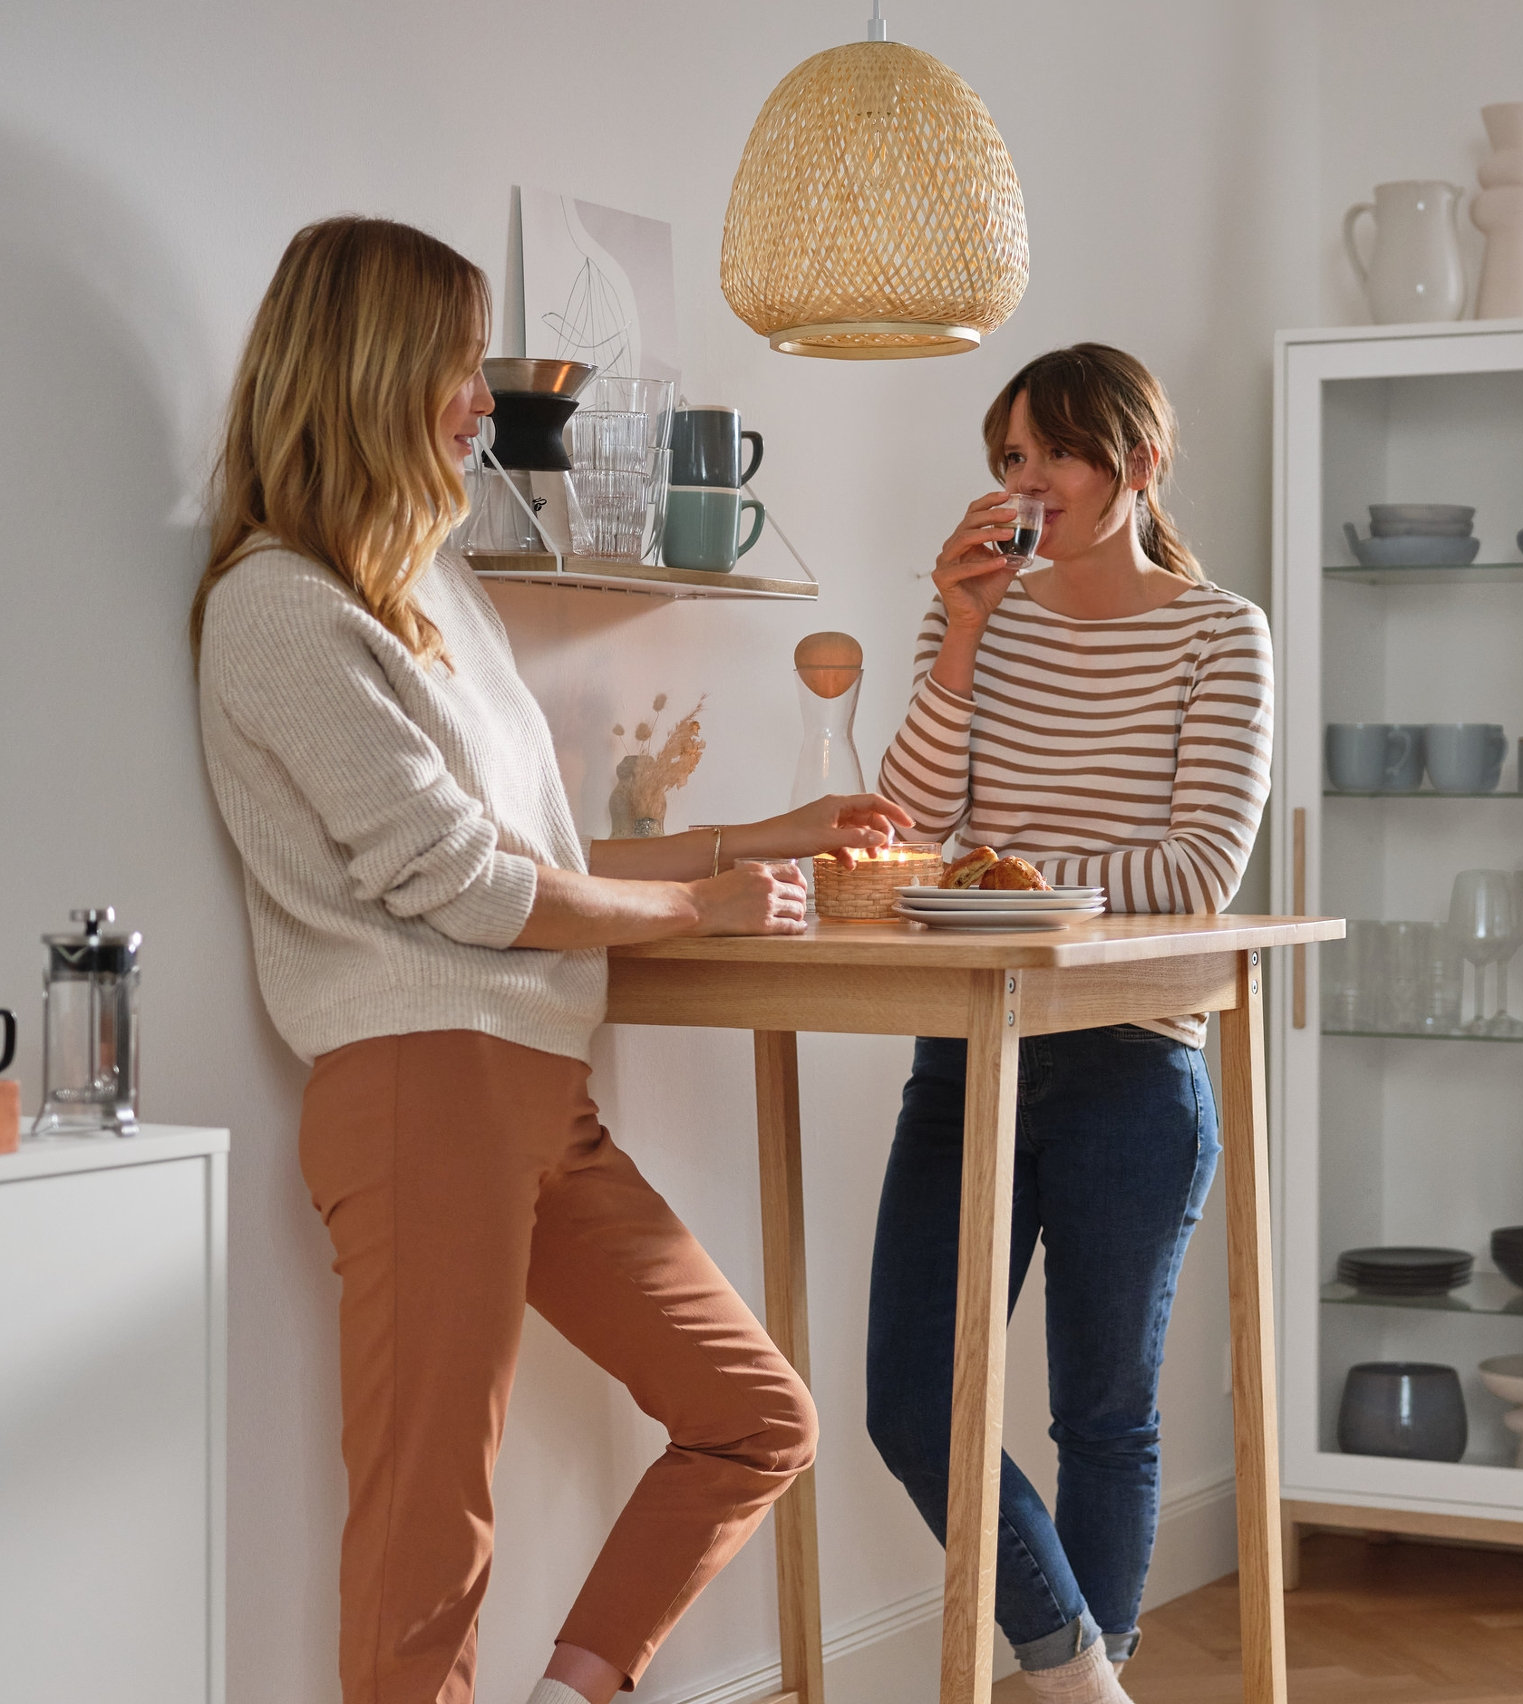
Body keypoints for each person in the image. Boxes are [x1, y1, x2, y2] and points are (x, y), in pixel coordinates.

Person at [192, 215, 911, 1704]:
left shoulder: (436, 594)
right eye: (461, 366)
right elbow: (463, 887)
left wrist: (753, 838)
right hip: (419, 1088)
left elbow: (544, 856)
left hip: (532, 1082)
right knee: (426, 1530)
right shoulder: (278, 606)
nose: (485, 401)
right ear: (373, 371)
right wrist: (700, 916)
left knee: (752, 1415)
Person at [870, 344, 1275, 1703]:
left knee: (1104, 1414)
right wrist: (966, 628)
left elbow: (1196, 877)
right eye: (1008, 460)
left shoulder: (1223, 635)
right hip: (971, 1046)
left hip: (1132, 1058)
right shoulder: (972, 619)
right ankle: (1080, 1676)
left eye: (1050, 455)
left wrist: (1022, 884)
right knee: (909, 1397)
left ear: (1138, 464)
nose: (1022, 484)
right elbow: (911, 835)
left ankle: (1067, 1673)